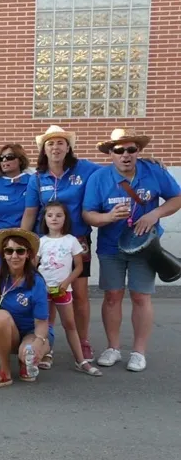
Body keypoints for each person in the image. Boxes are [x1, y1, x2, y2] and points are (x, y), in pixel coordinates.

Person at [83, 128, 181, 373]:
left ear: (139, 151)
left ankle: (138, 352)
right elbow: (88, 214)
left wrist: (155, 213)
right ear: (111, 154)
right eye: (119, 150)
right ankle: (113, 348)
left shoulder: (153, 171)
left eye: (131, 149)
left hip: (145, 247)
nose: (125, 154)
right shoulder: (99, 178)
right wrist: (107, 217)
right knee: (112, 296)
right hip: (110, 246)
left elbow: (176, 198)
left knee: (141, 297)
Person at [21, 125, 101, 364]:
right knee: (48, 296)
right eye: (50, 143)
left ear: (68, 148)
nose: (55, 147)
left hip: (77, 242)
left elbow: (114, 171)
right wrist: (22, 241)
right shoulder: (37, 178)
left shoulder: (85, 169)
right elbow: (30, 212)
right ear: (44, 150)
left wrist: (147, 164)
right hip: (47, 244)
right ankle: (47, 345)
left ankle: (83, 341)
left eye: (60, 143)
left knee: (80, 295)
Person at [0, 229, 52, 390]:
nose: (14, 255)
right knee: (0, 316)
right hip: (9, 330)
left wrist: (38, 343)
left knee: (27, 353)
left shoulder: (37, 282)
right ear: (3, 254)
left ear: (28, 254)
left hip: (34, 332)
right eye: (9, 251)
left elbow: (42, 323)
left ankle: (26, 360)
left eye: (20, 251)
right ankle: (5, 373)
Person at [36, 202, 99, 376]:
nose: (54, 219)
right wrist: (39, 285)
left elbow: (79, 267)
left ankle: (81, 360)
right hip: (44, 291)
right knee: (46, 324)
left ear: (65, 218)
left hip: (63, 290)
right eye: (50, 215)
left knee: (70, 324)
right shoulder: (41, 242)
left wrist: (66, 283)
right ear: (44, 219)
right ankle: (47, 354)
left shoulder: (72, 240)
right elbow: (33, 267)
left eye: (59, 215)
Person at [0, 144, 32, 258]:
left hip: (23, 244)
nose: (4, 161)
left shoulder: (32, 181)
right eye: (1, 158)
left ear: (20, 160)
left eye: (9, 157)